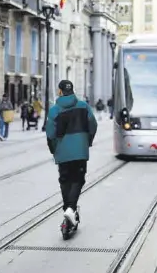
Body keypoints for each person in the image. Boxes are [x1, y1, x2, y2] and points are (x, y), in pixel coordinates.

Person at [45, 80, 98, 227]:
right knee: (78, 179)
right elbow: (93, 125)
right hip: (80, 151)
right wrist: (87, 141)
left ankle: (68, 208)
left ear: (60, 91)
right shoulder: (84, 106)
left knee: (65, 180)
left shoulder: (54, 110)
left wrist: (54, 149)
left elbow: (50, 134)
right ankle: (71, 208)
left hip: (63, 153)